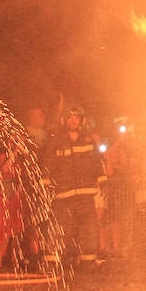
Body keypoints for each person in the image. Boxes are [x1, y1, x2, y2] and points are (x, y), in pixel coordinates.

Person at [44, 106, 107, 263]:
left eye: (76, 118)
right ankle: (52, 261)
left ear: (81, 121)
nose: (73, 120)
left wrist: (103, 183)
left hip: (86, 194)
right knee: (60, 227)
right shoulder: (56, 141)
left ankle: (88, 261)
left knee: (88, 229)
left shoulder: (88, 140)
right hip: (63, 193)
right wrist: (45, 184)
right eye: (70, 117)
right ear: (64, 120)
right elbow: (47, 163)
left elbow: (97, 163)